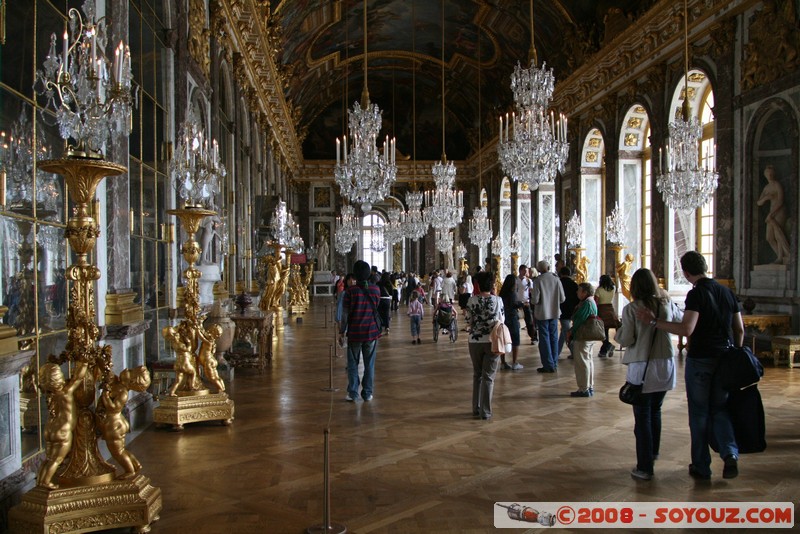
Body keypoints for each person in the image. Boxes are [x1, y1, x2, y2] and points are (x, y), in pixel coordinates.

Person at [635, 251, 744, 480]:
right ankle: (730, 453)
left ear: (685, 273)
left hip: (702, 359)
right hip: (725, 359)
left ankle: (702, 466)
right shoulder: (727, 292)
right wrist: (735, 353)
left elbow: (686, 329)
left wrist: (654, 322)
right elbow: (739, 329)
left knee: (699, 413)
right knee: (720, 409)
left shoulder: (697, 294)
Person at [615, 268, 682, 481]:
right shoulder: (666, 304)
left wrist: (618, 333)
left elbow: (626, 339)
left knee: (642, 417)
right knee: (656, 411)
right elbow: (680, 320)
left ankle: (644, 467)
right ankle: (652, 453)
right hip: (665, 363)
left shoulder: (632, 309)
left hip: (642, 365)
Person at [37, 359, 88, 489]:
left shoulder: (49, 394)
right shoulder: (66, 392)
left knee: (48, 459)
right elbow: (78, 378)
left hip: (50, 429)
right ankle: (46, 481)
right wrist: (84, 363)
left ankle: (40, 481)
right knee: (57, 459)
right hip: (62, 430)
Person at [97, 366, 151, 478]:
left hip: (114, 425)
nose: (126, 369)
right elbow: (110, 375)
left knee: (117, 452)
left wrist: (105, 394)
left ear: (131, 381)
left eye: (130, 371)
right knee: (121, 450)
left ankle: (129, 470)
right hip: (117, 423)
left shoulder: (123, 393)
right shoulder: (119, 383)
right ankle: (135, 464)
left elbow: (113, 408)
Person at [340, 260, 381, 402]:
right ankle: (367, 393)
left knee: (353, 364)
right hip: (371, 332)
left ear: (355, 275)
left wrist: (341, 331)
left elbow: (345, 315)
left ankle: (353, 393)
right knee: (369, 364)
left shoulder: (350, 291)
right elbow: (375, 308)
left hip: (355, 332)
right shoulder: (376, 290)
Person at [466, 270, 504, 419]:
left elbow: (469, 321)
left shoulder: (472, 300)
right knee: (488, 376)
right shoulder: (498, 300)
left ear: (478, 285)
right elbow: (502, 320)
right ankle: (485, 411)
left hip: (475, 341)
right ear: (492, 284)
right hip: (492, 340)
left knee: (477, 375)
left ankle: (475, 408)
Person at [530, 260, 565, 373]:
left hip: (542, 313)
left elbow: (535, 300)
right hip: (554, 312)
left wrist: (532, 298)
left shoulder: (538, 280)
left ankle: (548, 364)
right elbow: (562, 298)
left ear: (539, 269)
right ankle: (554, 362)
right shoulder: (556, 279)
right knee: (554, 337)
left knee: (544, 338)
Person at [566, 282, 598, 397]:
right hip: (588, 336)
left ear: (585, 292)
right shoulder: (590, 301)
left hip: (582, 336)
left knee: (582, 363)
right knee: (587, 361)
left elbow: (579, 319)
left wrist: (571, 332)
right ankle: (589, 386)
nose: (577, 292)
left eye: (579, 290)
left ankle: (584, 388)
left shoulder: (587, 303)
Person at [756, 165, 791, 264]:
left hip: (779, 211)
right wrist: (766, 198)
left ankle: (780, 257)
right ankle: (782, 256)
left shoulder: (777, 185)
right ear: (765, 175)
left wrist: (771, 213)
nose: (770, 175)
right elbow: (758, 202)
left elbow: (780, 201)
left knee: (778, 234)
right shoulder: (767, 188)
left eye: (771, 173)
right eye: (768, 174)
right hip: (771, 212)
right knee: (769, 237)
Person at [499, 274, 523, 370]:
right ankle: (514, 362)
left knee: (503, 340)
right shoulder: (512, 294)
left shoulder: (502, 294)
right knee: (515, 340)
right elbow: (513, 305)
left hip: (504, 319)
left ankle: (503, 362)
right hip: (512, 319)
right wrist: (521, 304)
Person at [595, 274, 620, 358]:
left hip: (602, 310)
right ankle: (603, 351)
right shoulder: (613, 288)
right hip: (610, 309)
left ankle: (608, 346)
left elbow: (596, 302)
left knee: (602, 332)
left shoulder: (599, 289)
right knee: (606, 330)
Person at [558, 267, 580, 357]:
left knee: (566, 331)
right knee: (565, 331)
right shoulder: (574, 284)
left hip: (562, 310)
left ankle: (574, 352)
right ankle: (557, 352)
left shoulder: (559, 283)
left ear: (561, 273)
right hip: (573, 311)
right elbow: (578, 299)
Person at [197, 324, 226, 393]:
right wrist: (200, 326)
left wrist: (197, 329)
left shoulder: (209, 340)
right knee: (216, 377)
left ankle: (220, 389)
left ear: (213, 332)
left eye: (210, 329)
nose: (208, 330)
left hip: (208, 361)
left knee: (212, 377)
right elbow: (204, 333)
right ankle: (222, 388)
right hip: (211, 360)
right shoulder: (211, 339)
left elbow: (202, 337)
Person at [516, 265, 536, 345]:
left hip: (526, 302)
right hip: (517, 302)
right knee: (515, 320)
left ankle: (534, 337)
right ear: (520, 270)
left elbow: (532, 291)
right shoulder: (516, 280)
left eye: (526, 271)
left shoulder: (528, 281)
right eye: (524, 270)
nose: (526, 272)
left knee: (529, 321)